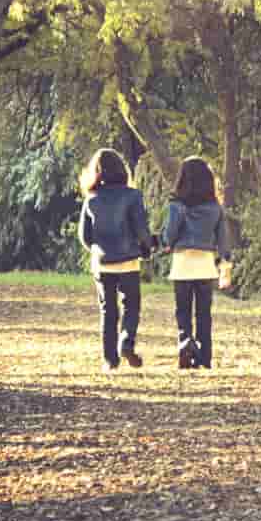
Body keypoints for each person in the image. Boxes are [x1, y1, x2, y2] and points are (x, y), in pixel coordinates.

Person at [78, 148, 154, 372]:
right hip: (128, 261)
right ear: (122, 169)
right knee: (131, 306)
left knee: (108, 311)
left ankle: (110, 361)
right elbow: (141, 230)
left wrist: (98, 249)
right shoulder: (133, 196)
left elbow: (85, 237)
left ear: (97, 172)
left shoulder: (91, 199)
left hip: (102, 263)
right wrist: (147, 248)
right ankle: (126, 342)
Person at [160, 156, 230, 369]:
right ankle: (205, 357)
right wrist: (225, 263)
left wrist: (165, 243)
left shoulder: (176, 206)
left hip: (182, 265)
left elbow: (169, 236)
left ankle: (185, 343)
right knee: (203, 314)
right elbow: (223, 241)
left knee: (182, 311)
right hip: (205, 266)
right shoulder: (215, 209)